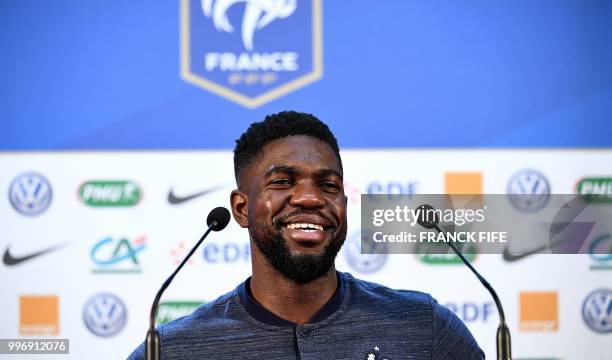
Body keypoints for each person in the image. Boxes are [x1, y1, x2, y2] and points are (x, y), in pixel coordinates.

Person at [128, 111, 484, 359]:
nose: (311, 198)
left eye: (328, 185)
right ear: (241, 209)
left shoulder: (424, 327)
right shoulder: (174, 350)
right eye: (282, 182)